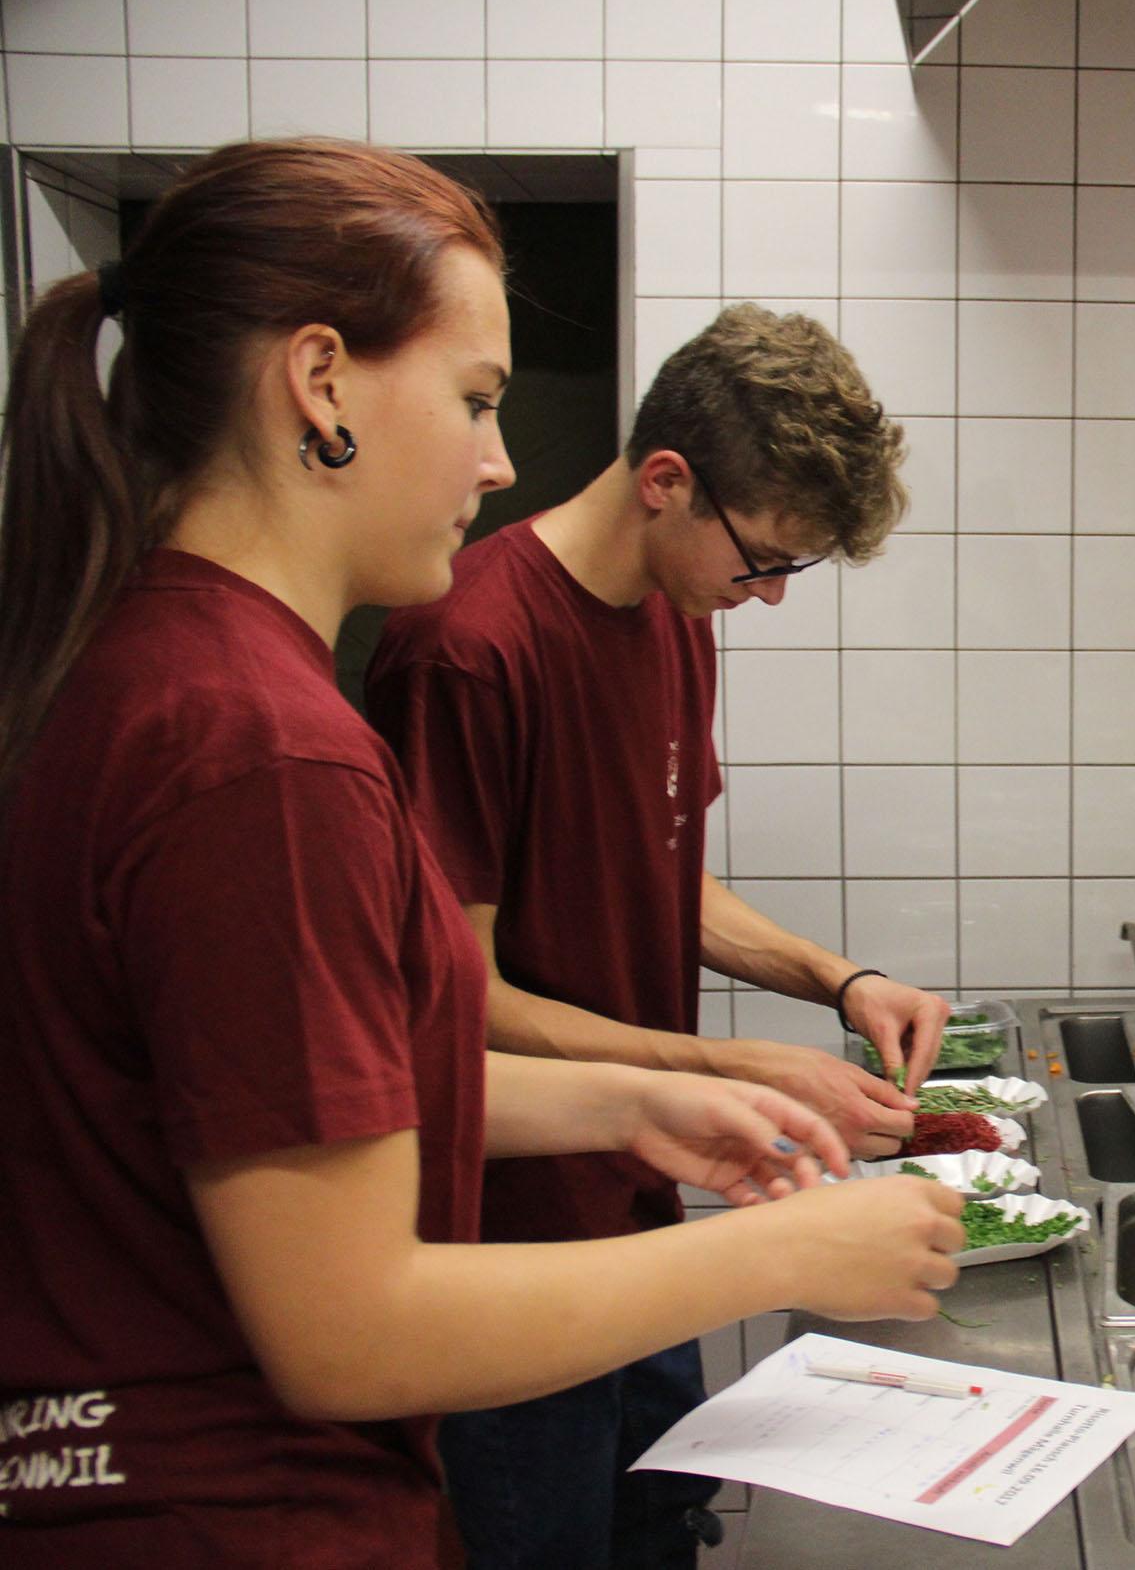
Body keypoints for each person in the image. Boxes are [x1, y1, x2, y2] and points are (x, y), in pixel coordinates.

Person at [0, 140, 963, 1567]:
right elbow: (348, 1328)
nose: (501, 457)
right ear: (321, 386)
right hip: (229, 1510)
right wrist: (781, 1251)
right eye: (474, 398)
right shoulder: (264, 751)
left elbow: (314, 1081)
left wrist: (627, 1106)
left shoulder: (171, 669)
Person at [363, 302, 949, 1568]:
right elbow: (461, 999)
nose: (773, 596)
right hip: (507, 1236)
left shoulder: (680, 619)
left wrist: (838, 979)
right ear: (666, 482)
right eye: (764, 559)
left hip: (637, 1199)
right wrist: (730, 1067)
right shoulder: (466, 647)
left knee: (659, 1524)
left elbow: (663, 868)